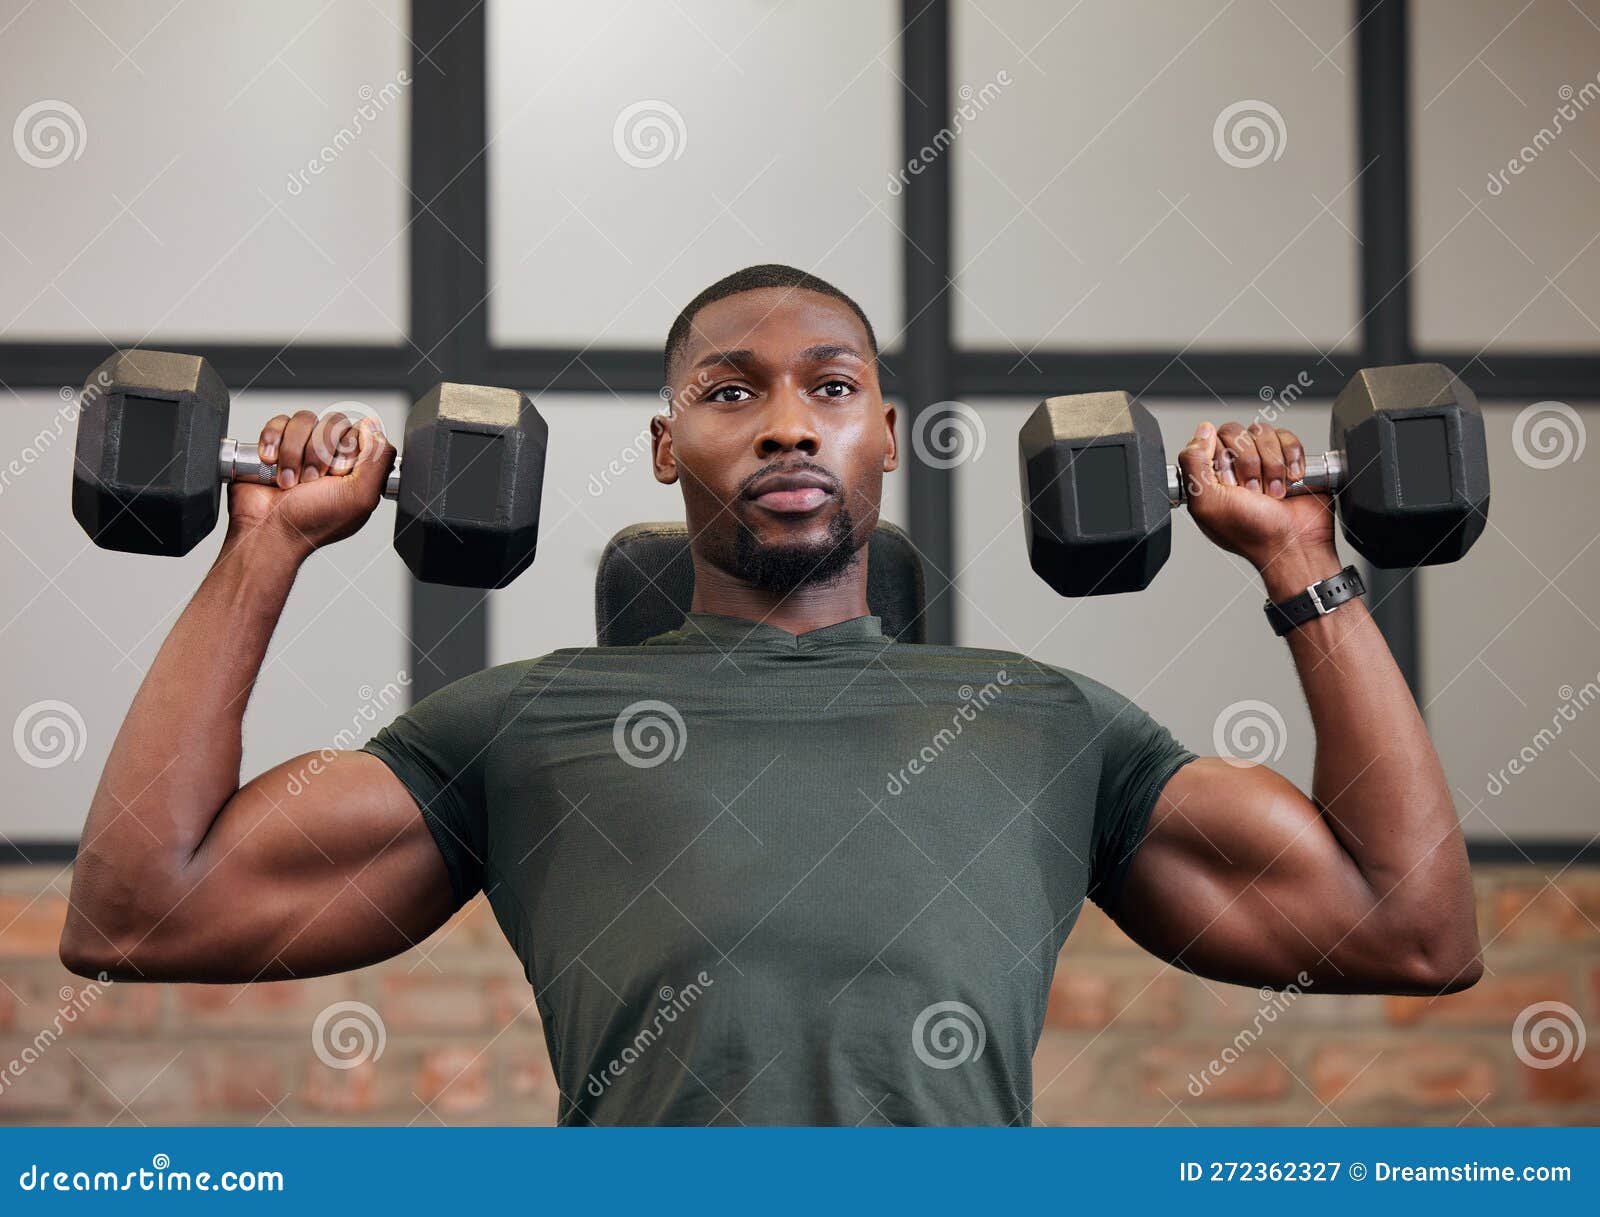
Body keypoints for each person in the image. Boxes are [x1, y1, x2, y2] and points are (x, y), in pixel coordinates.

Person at [61, 264, 1481, 1126]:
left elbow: (1413, 929)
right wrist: (266, 545)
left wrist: (1303, 557)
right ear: (670, 449)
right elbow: (140, 910)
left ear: (883, 444)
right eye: (732, 392)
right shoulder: (524, 724)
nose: (790, 420)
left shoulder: (1046, 722)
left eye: (833, 387)